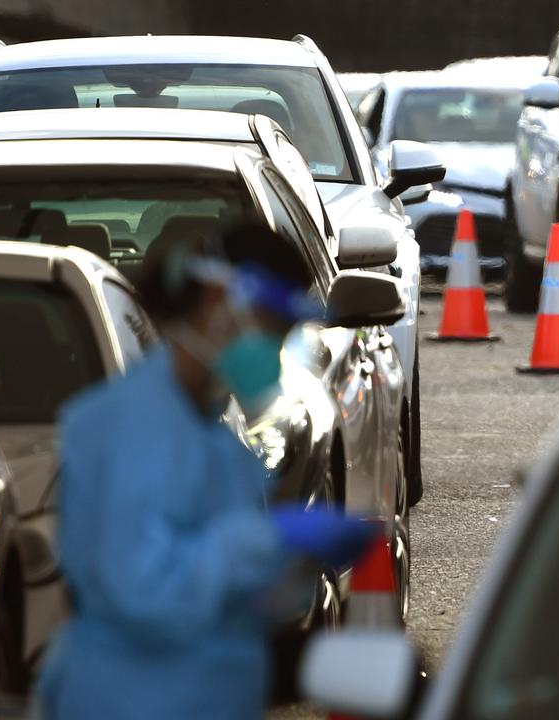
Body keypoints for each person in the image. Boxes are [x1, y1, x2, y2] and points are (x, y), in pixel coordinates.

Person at [36, 222, 381, 719]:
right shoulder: (126, 426)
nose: (276, 348)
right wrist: (273, 539)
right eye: (272, 325)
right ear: (219, 301)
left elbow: (234, 602)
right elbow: (144, 593)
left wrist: (293, 575)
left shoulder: (217, 439)